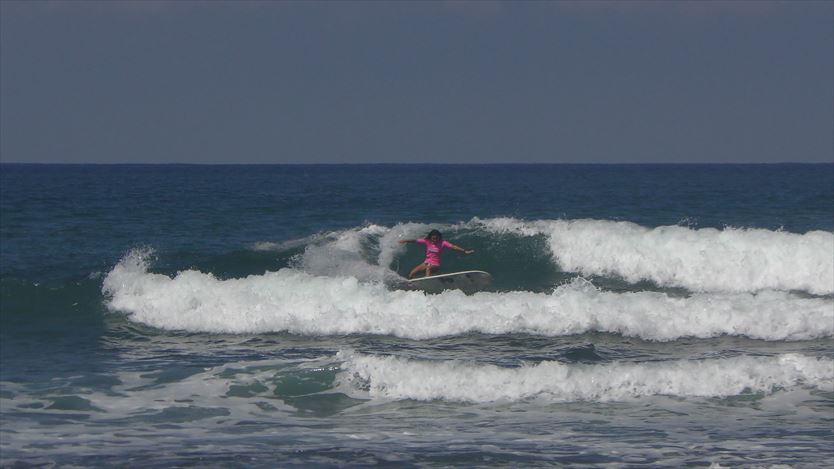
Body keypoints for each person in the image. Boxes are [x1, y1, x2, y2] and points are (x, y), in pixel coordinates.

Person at [399, 229, 474, 279]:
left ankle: (428, 281)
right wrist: (405, 241)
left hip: (435, 264)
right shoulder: (427, 241)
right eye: (433, 238)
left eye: (436, 238)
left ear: (439, 237)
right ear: (430, 237)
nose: (434, 240)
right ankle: (411, 285)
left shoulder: (443, 243)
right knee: (412, 273)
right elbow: (415, 241)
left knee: (428, 268)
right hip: (426, 262)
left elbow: (453, 246)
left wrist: (464, 251)